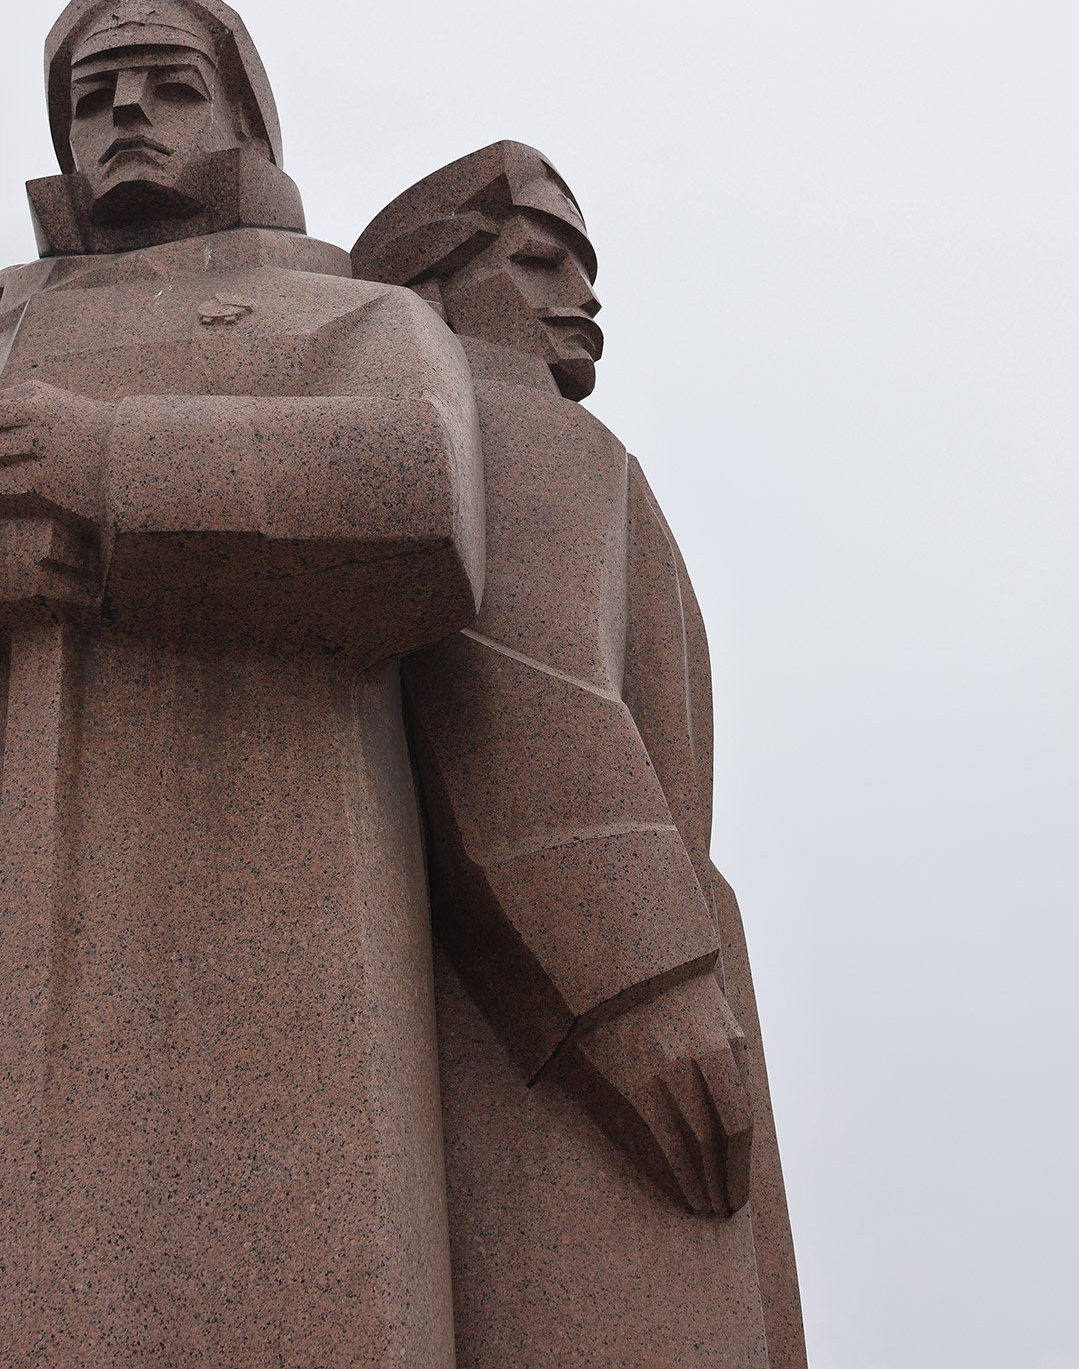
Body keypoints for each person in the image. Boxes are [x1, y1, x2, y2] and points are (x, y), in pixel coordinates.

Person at [0, 0, 485, 1367]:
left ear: (245, 119)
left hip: (267, 935)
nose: (123, 111)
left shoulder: (342, 324)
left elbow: (418, 497)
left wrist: (109, 469)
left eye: (169, 83)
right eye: (89, 95)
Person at [353, 141, 808, 1368]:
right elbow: (521, 678)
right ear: (431, 284)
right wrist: (645, 985)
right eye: (539, 258)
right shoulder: (499, 415)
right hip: (581, 1002)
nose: (582, 293)